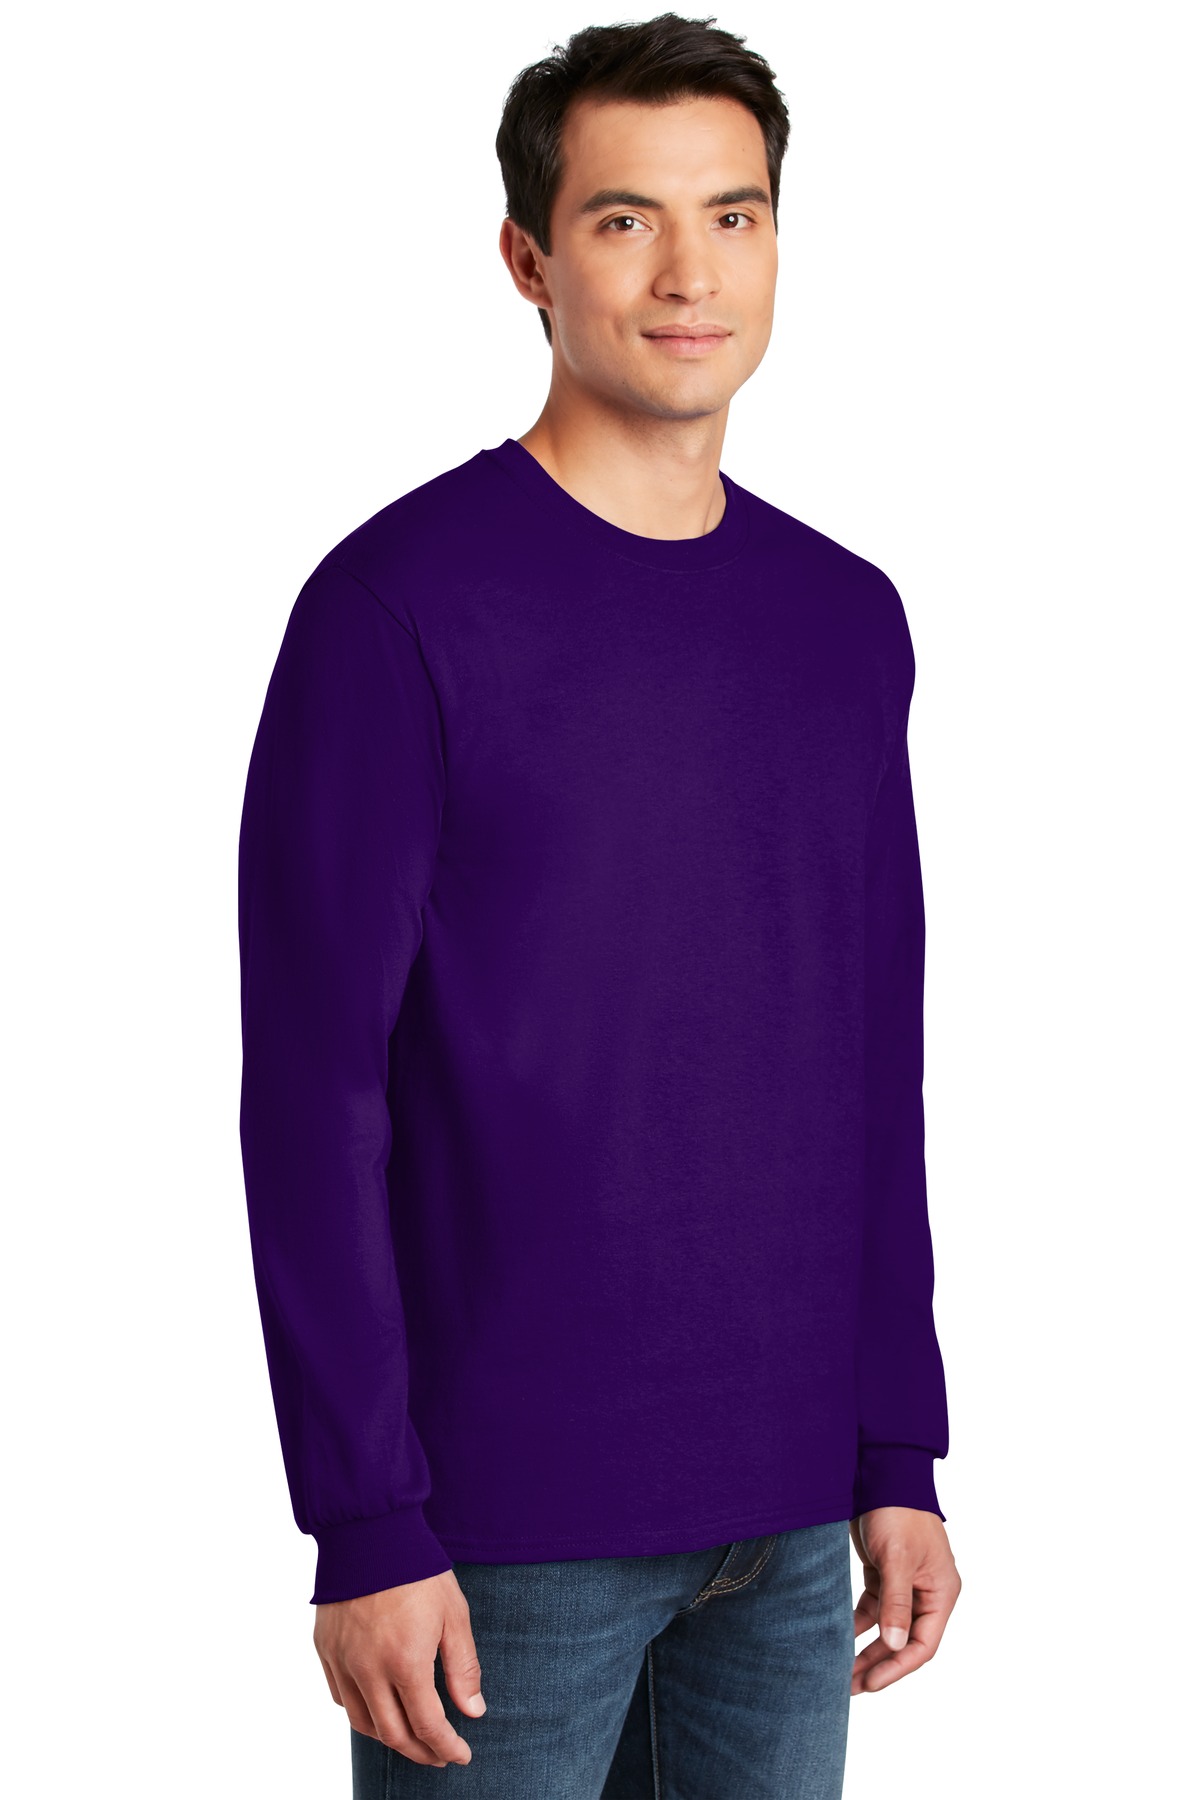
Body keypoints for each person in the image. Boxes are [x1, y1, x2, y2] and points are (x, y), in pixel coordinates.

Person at [237, 13, 961, 1796]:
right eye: (627, 220)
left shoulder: (844, 619)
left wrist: (898, 1450)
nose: (689, 273)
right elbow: (313, 1097)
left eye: (735, 216)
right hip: (501, 1543)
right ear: (528, 259)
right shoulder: (396, 610)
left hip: (790, 1528)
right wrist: (364, 1519)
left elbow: (870, 1061)